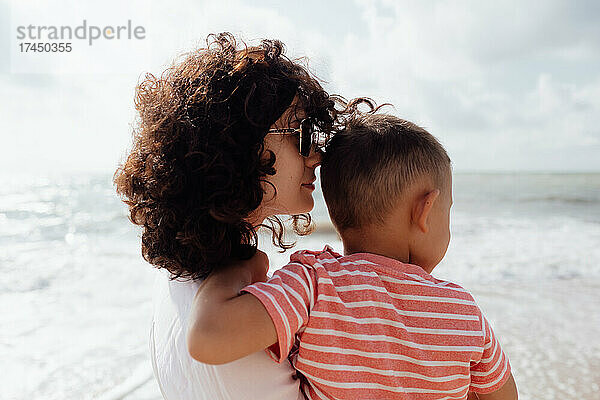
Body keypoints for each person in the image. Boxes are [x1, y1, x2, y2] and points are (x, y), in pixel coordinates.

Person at [187, 113, 519, 399]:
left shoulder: (314, 285)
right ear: (425, 211)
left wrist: (242, 267)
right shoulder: (464, 313)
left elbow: (208, 339)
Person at [113, 32, 354, 400]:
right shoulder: (235, 326)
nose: (316, 156)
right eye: (302, 134)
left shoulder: (179, 289)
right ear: (241, 146)